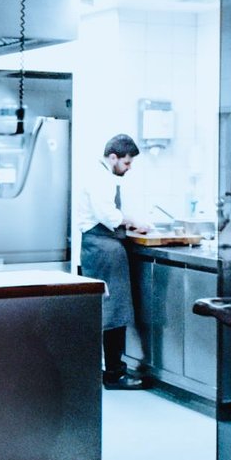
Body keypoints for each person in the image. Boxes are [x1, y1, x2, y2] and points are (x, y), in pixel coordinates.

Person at [79, 134, 148, 388]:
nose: (128, 169)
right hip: (104, 248)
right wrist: (133, 221)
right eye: (127, 163)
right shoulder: (102, 179)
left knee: (107, 312)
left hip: (96, 246)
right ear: (113, 157)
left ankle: (110, 370)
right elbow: (107, 214)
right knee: (113, 312)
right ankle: (114, 374)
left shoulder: (97, 174)